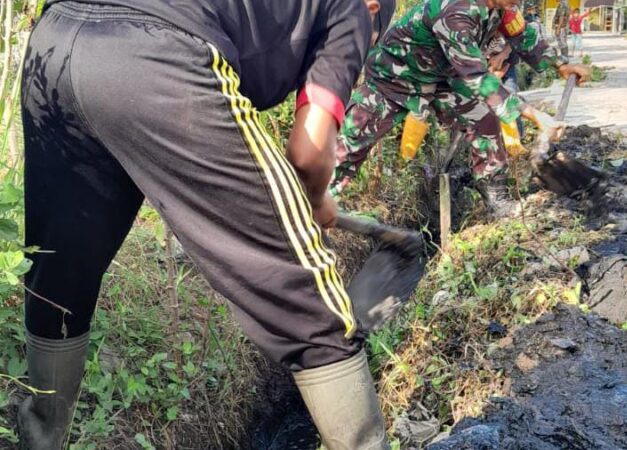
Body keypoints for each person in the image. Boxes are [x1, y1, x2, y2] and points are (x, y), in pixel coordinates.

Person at [18, 0, 395, 449]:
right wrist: (315, 198)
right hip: (157, 55)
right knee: (303, 290)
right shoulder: (357, 9)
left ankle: (38, 440)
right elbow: (309, 153)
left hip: (56, 40)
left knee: (59, 272)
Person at [332, 0, 591, 216]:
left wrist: (560, 65)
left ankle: (497, 199)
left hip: (442, 78)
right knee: (350, 145)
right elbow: (478, 78)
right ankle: (318, 203)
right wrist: (536, 116)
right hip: (395, 78)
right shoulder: (456, 11)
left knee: (483, 119)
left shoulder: (505, 7)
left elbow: (523, 36)